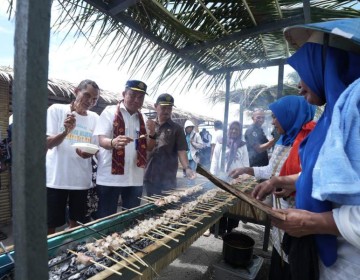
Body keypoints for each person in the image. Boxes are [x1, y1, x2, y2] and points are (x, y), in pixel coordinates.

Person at [253, 19, 360, 280]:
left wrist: (311, 222)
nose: (300, 85)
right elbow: (334, 177)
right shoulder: (334, 116)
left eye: (305, 68)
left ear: (326, 62)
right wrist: (286, 180)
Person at [229, 95, 316, 280]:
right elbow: (271, 170)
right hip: (278, 213)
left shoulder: (310, 141)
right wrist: (247, 169)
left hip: (298, 216)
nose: (273, 122)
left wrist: (283, 183)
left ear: (290, 115)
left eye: (276, 117)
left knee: (295, 265)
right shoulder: (282, 140)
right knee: (279, 259)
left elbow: (316, 176)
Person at [93, 80, 154, 219]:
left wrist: (153, 133)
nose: (136, 100)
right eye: (132, 95)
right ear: (124, 94)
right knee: (105, 220)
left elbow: (149, 147)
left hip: (135, 178)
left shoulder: (143, 118)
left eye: (140, 97)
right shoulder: (109, 112)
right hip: (110, 178)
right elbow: (100, 140)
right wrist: (113, 142)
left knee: (131, 221)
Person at [46, 79, 100, 234]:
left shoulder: (95, 118)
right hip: (56, 179)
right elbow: (48, 144)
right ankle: (49, 255)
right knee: (50, 224)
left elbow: (96, 147)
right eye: (87, 95)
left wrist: (89, 153)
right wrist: (65, 131)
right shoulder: (56, 110)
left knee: (76, 224)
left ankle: (70, 250)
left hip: (81, 181)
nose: (90, 101)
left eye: (94, 99)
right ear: (76, 91)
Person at [144, 93, 195, 196]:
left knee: (166, 206)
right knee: (150, 206)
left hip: (167, 176)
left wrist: (187, 168)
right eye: (163, 108)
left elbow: (181, 150)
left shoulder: (177, 129)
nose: (166, 111)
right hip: (149, 173)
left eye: (169, 108)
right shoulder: (148, 125)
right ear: (155, 106)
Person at [209, 121, 249, 236]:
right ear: (228, 130)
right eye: (232, 129)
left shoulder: (243, 145)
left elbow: (246, 163)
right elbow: (215, 160)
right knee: (219, 204)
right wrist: (213, 176)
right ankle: (218, 229)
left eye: (237, 129)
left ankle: (230, 229)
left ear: (240, 131)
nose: (234, 131)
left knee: (233, 206)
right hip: (221, 179)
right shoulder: (221, 143)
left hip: (237, 181)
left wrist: (244, 177)